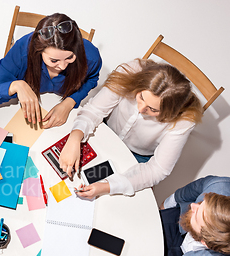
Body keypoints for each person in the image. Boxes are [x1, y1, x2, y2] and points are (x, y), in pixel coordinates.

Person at [59, 59, 203, 198]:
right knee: (63, 175)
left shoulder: (183, 121)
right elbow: (95, 111)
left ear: (170, 112)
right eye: (141, 97)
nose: (140, 109)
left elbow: (157, 169)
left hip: (138, 157)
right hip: (104, 131)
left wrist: (106, 187)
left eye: (152, 109)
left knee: (102, 198)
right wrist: (75, 138)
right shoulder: (130, 72)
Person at [0, 13, 102, 129]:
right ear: (38, 51)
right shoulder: (22, 50)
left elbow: (92, 79)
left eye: (70, 58)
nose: (63, 66)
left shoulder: (91, 56)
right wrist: (16, 85)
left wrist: (70, 102)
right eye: (54, 60)